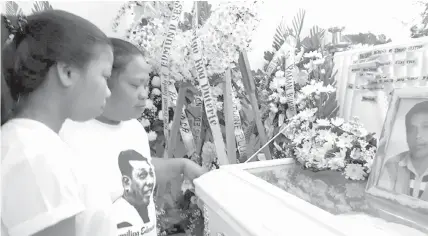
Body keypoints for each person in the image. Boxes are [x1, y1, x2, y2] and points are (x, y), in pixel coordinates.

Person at [59, 38, 206, 236]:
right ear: (104, 80)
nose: (144, 94)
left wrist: (181, 166)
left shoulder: (134, 128)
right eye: (135, 85)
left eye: (146, 85)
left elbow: (140, 167)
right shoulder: (67, 136)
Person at [1, 10, 116, 236]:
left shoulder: (38, 144)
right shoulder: (34, 155)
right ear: (67, 72)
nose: (108, 91)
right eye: (105, 76)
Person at [378, 101, 428, 201]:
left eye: (426, 127)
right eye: (411, 129)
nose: (417, 135)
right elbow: (381, 203)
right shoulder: (393, 164)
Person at [114, 150, 156, 234]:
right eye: (142, 175)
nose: (150, 181)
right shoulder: (122, 219)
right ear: (126, 182)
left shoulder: (144, 207)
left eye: (151, 173)